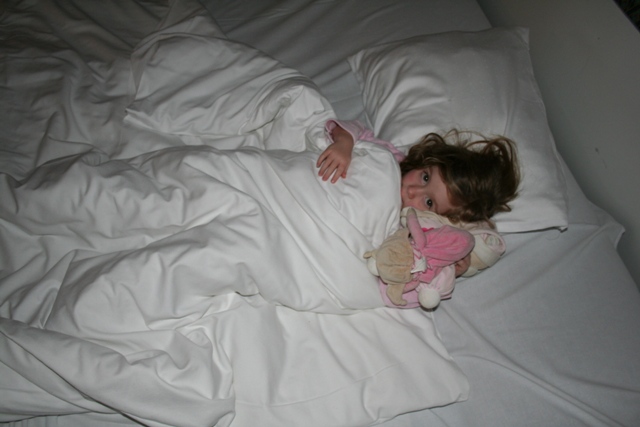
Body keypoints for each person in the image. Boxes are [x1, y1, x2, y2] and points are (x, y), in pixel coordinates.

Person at [316, 119, 521, 277]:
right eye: (425, 177)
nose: (413, 190)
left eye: (429, 202)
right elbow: (355, 130)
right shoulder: (392, 158)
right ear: (427, 161)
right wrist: (344, 143)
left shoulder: (408, 230)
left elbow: (407, 268)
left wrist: (448, 266)